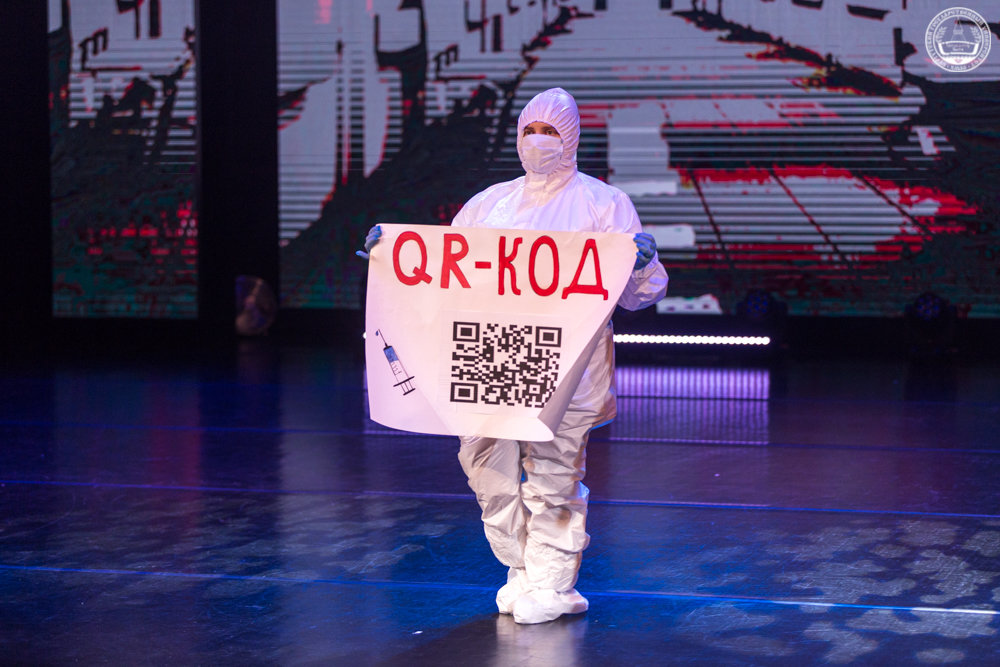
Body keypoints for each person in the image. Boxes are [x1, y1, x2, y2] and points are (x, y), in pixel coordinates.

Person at [360, 88, 668, 623]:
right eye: (530, 130)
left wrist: (640, 265)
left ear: (571, 137)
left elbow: (638, 295)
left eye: (550, 131)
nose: (538, 141)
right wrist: (392, 257)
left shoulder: (604, 203)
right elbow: (443, 272)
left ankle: (553, 583)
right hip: (489, 355)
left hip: (567, 364)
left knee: (554, 472)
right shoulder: (489, 203)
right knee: (486, 468)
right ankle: (522, 567)